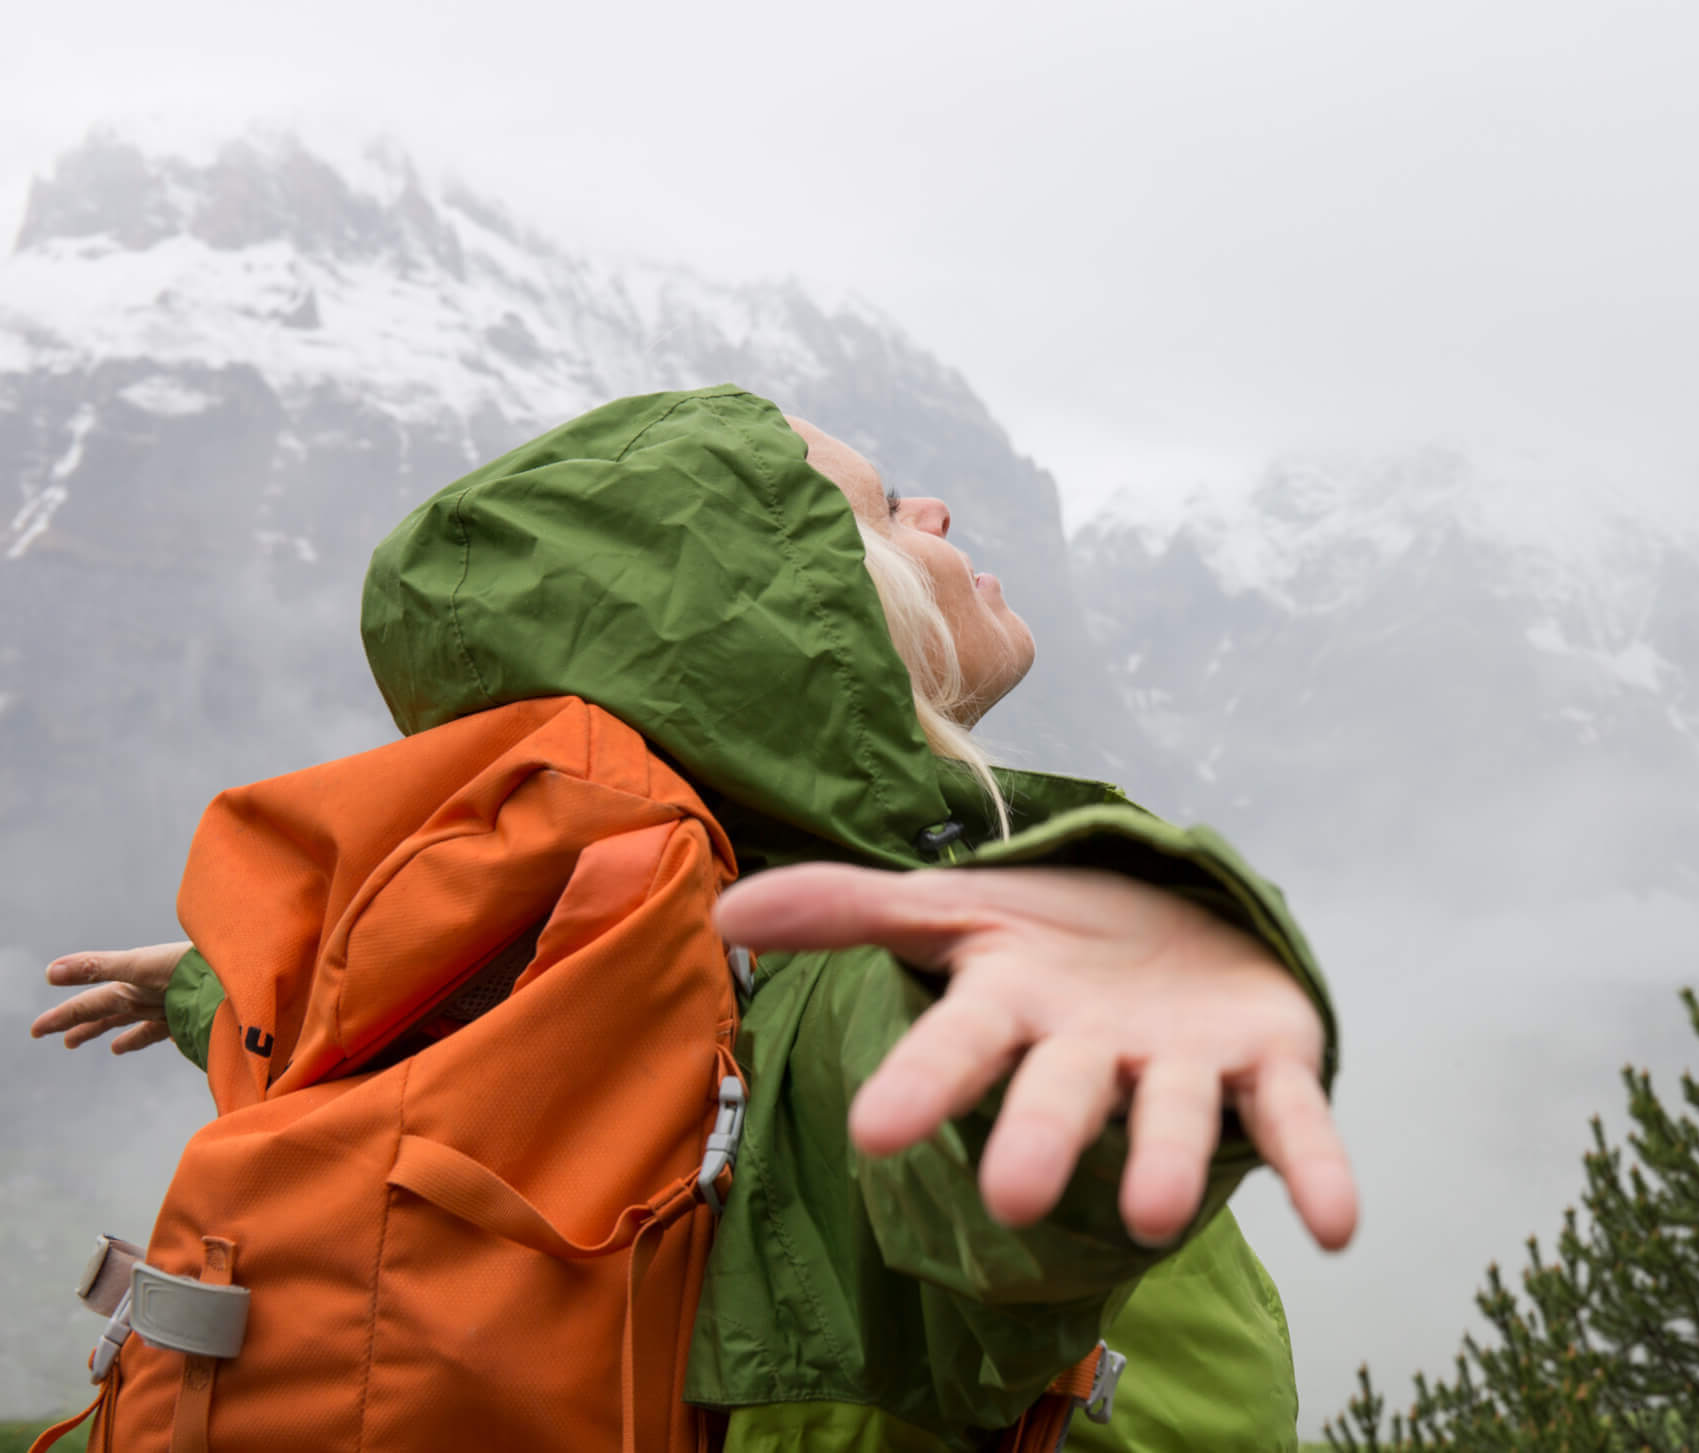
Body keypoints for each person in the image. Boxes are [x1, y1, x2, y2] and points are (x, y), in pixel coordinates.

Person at [32, 385, 1354, 1450]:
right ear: (816, 622)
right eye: (887, 511)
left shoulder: (573, 962)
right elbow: (943, 1126)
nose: (940, 507)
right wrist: (1105, 982)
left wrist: (226, 984)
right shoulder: (846, 974)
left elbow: (366, 1037)